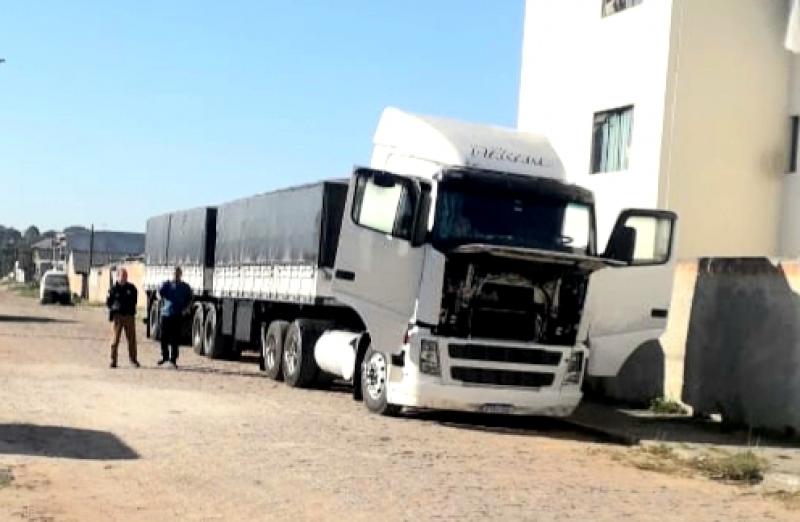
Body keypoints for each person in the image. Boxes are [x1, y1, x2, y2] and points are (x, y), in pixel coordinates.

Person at [158, 266, 193, 368]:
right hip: (166, 314)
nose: (176, 275)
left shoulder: (185, 287)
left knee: (175, 338)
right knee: (163, 337)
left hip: (177, 315)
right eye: (174, 273)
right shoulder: (167, 284)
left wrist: (187, 308)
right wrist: (160, 298)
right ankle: (165, 357)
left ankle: (173, 359)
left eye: (178, 273)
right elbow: (159, 293)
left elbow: (190, 299)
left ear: (181, 274)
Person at [106, 268, 140, 368]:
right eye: (122, 276)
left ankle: (133, 360)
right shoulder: (113, 289)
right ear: (118, 276)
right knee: (115, 340)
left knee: (132, 340)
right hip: (118, 317)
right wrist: (115, 308)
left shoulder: (131, 288)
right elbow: (108, 302)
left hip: (129, 316)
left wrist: (130, 309)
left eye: (126, 276)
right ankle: (113, 361)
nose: (124, 278)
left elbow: (135, 300)